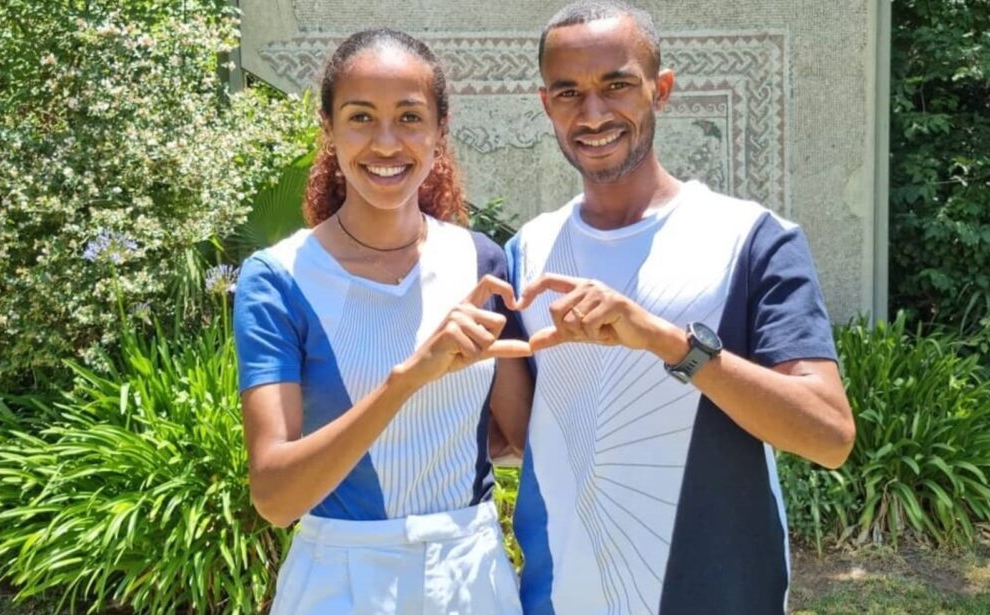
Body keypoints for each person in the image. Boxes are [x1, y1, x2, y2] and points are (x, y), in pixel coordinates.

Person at [505, 2, 857, 613]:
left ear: (659, 90)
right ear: (545, 105)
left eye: (616, 85)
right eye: (569, 93)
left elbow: (829, 435)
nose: (593, 114)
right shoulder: (524, 252)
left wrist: (670, 343)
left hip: (721, 595)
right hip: (558, 598)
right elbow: (513, 432)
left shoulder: (752, 238)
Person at [232, 28, 530, 614]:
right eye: (361, 117)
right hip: (338, 580)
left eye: (410, 117)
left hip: (471, 575)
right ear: (329, 128)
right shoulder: (280, 277)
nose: (386, 142)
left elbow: (521, 439)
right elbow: (275, 496)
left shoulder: (482, 263)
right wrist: (407, 381)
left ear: (440, 131)